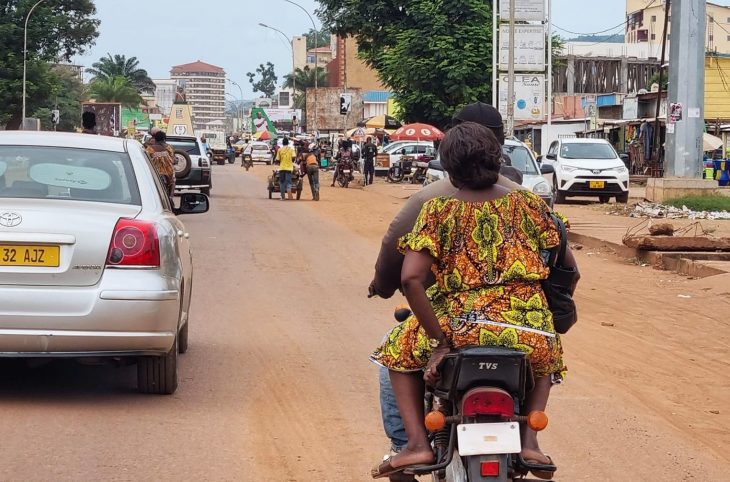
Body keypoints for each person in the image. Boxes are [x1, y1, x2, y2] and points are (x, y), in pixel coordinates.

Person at [370, 122, 577, 480]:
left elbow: (410, 278)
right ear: (498, 158)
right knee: (547, 356)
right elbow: (566, 265)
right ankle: (529, 443)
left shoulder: (438, 210)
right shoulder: (528, 204)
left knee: (395, 355)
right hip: (526, 328)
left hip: (462, 326)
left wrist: (439, 342)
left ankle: (416, 444)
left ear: (447, 168)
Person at [145, 130, 176, 201]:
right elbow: (173, 159)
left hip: (154, 173)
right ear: (164, 139)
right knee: (173, 181)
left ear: (155, 139)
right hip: (168, 173)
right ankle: (170, 197)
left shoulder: (150, 149)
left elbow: (146, 160)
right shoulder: (169, 148)